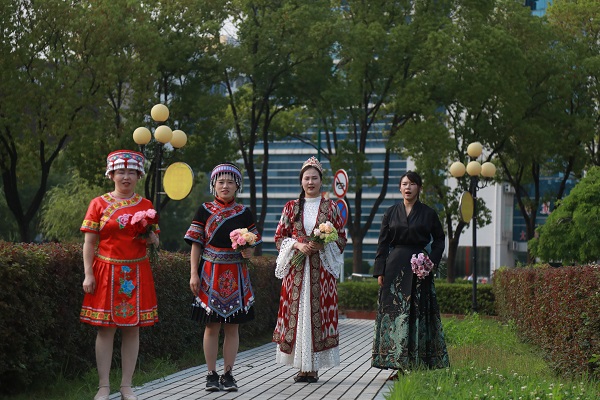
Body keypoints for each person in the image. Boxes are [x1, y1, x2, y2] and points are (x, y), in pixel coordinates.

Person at [80, 150, 160, 400]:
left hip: (137, 272)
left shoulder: (146, 206)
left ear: (139, 175)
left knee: (132, 329)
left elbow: (155, 241)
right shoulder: (98, 204)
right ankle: (103, 386)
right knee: (105, 330)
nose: (126, 177)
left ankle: (127, 385)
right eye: (121, 172)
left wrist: (153, 239)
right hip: (106, 271)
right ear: (111, 174)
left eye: (131, 172)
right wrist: (88, 274)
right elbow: (89, 243)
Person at [184, 163, 261, 392]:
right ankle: (211, 374)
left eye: (230, 182)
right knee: (211, 326)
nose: (225, 186)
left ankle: (228, 374)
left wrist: (248, 251)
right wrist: (193, 273)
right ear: (214, 185)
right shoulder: (204, 210)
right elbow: (196, 244)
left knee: (232, 327)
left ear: (237, 186)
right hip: (210, 272)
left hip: (236, 274)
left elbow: (253, 243)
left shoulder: (244, 212)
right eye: (221, 182)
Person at [273, 156, 347, 383]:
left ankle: (313, 367)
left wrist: (322, 244)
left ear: (321, 181)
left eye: (314, 178)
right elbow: (279, 237)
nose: (310, 182)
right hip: (296, 271)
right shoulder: (291, 207)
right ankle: (301, 366)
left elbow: (341, 238)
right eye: (307, 178)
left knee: (316, 315)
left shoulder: (331, 207)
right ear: (301, 181)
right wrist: (297, 245)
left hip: (320, 272)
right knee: (297, 316)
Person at [371, 170, 449, 379]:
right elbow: (383, 243)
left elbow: (439, 239)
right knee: (396, 316)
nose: (408, 187)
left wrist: (430, 261)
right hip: (394, 268)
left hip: (419, 269)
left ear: (419, 188)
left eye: (412, 184)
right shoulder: (390, 213)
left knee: (416, 314)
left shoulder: (428, 213)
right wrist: (380, 271)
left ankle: (416, 363)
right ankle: (397, 364)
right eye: (405, 184)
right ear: (400, 188)